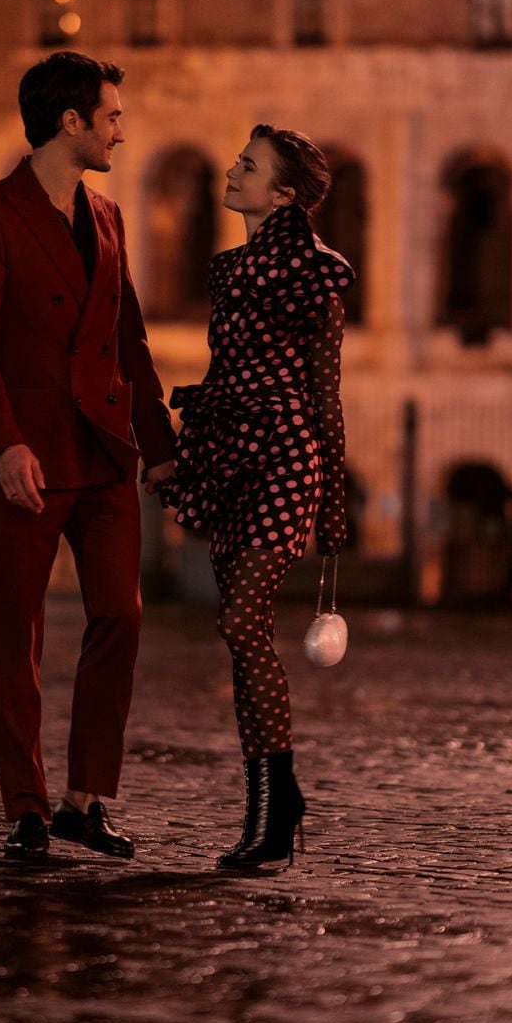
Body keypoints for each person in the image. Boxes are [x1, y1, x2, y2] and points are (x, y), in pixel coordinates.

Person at [0, 51, 177, 860]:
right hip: (27, 461)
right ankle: (27, 807)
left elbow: (128, 337)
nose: (120, 127)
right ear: (70, 123)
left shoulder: (107, 214)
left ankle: (85, 798)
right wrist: (3, 442)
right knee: (18, 634)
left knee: (120, 614)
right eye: (110, 115)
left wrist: (159, 446)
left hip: (106, 451)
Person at [163, 125, 355, 871]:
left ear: (282, 193)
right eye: (238, 159)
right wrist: (182, 456)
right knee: (239, 640)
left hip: (284, 455)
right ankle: (271, 809)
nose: (233, 170)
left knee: (243, 622)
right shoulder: (227, 269)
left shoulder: (319, 272)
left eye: (249, 165)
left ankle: (280, 804)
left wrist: (333, 500)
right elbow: (227, 370)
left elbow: (325, 393)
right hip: (227, 455)